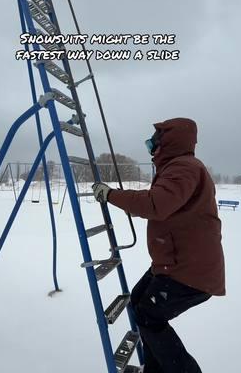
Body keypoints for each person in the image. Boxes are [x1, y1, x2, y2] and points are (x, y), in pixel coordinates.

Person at [92, 117, 225, 373]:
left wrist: (111, 195)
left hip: (190, 271)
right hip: (175, 263)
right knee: (139, 303)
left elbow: (156, 204)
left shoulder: (183, 168)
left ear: (167, 143)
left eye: (153, 142)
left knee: (149, 316)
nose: (151, 148)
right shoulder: (179, 167)